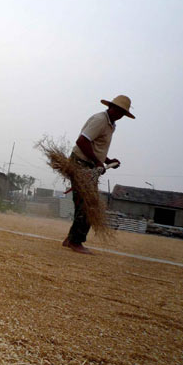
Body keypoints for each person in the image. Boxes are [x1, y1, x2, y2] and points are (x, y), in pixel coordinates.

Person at [62, 95, 135, 254]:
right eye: (119, 111)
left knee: (84, 203)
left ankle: (71, 239)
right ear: (111, 107)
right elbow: (82, 141)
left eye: (123, 113)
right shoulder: (100, 120)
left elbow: (95, 145)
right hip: (81, 164)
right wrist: (97, 162)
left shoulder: (111, 124)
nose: (121, 115)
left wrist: (107, 160)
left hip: (89, 165)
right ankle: (76, 241)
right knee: (89, 204)